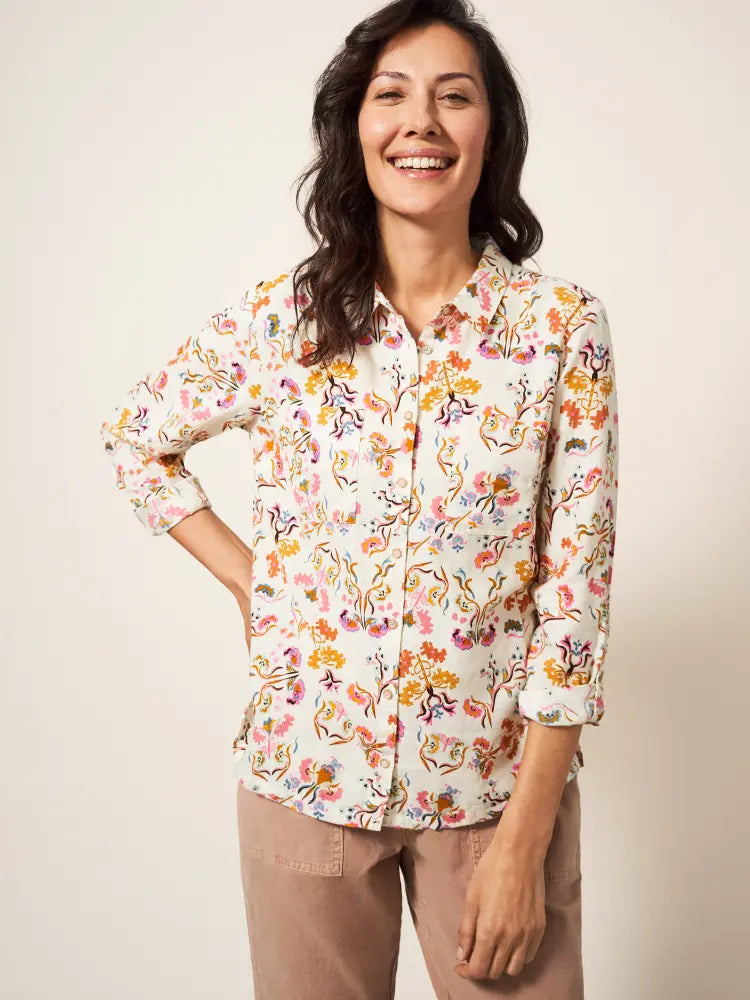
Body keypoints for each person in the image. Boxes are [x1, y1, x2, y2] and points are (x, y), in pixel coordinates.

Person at [99, 1, 619, 996]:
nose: (421, 121)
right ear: (355, 126)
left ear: (493, 130)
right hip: (304, 776)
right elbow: (136, 437)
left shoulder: (561, 329)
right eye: (392, 95)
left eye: (454, 97)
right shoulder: (284, 321)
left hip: (491, 795)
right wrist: (251, 581)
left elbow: (575, 600)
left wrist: (526, 840)